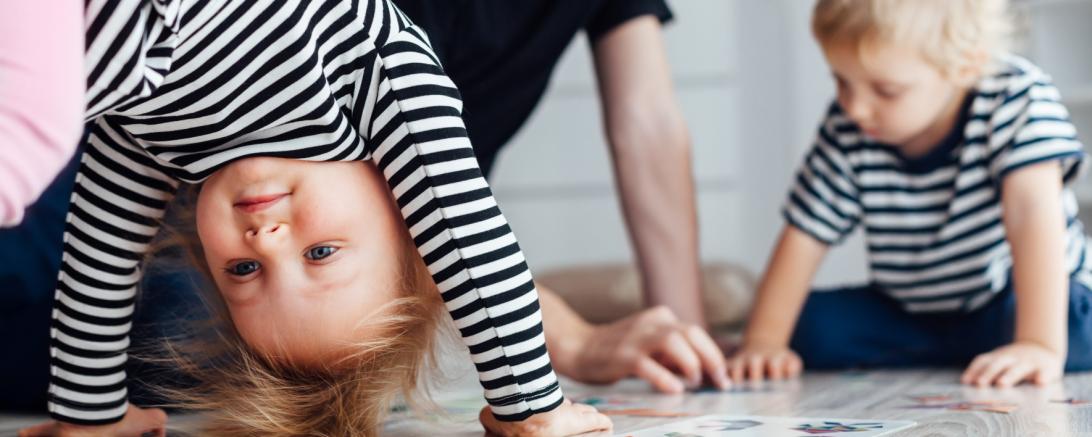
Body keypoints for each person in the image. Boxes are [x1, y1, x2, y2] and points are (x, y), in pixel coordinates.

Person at [21, 1, 602, 435]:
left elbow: (98, 258)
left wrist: (90, 417)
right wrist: (530, 406)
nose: (266, 240)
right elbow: (465, 229)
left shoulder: (155, 140)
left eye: (244, 270)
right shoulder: (368, 65)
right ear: (410, 218)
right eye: (321, 253)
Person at [729, 0, 1092, 388]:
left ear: (964, 66)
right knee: (810, 326)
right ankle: (973, 350)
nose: (856, 108)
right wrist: (763, 341)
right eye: (841, 82)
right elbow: (804, 233)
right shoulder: (848, 127)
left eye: (886, 91)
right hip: (912, 312)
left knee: (1074, 327)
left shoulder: (1015, 97)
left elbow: (1032, 213)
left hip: (1010, 299)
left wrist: (1037, 342)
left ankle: (1013, 344)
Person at [393, 0, 708, 326]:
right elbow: (405, 176)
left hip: (441, 246)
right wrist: (579, 344)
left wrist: (685, 334)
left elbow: (648, 124)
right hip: (381, 237)